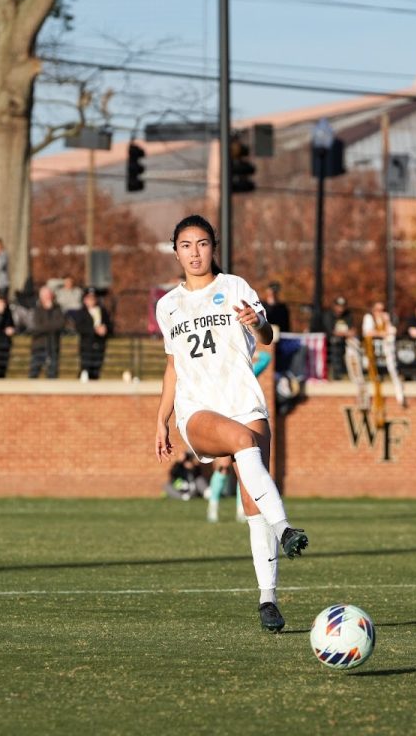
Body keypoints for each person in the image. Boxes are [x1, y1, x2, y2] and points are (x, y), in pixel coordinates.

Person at [155, 214, 308, 633]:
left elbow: (267, 337)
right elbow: (173, 368)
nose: (195, 252)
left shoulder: (235, 287)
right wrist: (162, 419)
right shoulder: (167, 305)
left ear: (213, 247)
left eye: (202, 243)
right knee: (242, 441)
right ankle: (287, 528)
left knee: (252, 503)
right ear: (176, 251)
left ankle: (267, 600)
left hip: (245, 401)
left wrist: (256, 322)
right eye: (186, 244)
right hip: (198, 408)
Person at [362, 299, 406, 406]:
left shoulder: (385, 318)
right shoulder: (369, 318)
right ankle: (366, 399)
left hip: (385, 349)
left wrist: (386, 322)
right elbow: (368, 332)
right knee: (369, 372)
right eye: (377, 310)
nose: (380, 312)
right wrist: (382, 333)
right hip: (371, 350)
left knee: (392, 369)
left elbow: (392, 331)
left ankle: (400, 395)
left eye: (382, 310)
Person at [26, 285, 66, 379]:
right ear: (40, 296)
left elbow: (60, 324)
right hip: (39, 346)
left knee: (52, 373)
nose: (48, 297)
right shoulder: (36, 310)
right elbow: (35, 328)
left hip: (53, 346)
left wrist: (50, 311)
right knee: (33, 373)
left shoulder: (57, 309)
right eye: (45, 295)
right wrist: (51, 326)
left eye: (49, 295)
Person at [72, 287, 112, 380]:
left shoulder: (102, 311)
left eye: (93, 298)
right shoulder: (81, 312)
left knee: (96, 369)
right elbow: (79, 327)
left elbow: (109, 325)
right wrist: (94, 330)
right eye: (89, 298)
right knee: (85, 369)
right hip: (87, 345)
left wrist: (105, 329)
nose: (91, 300)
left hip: (100, 344)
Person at [318, 296, 356, 381]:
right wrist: (346, 333)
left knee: (354, 344)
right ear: (334, 306)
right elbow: (331, 331)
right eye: (338, 306)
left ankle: (354, 373)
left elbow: (352, 330)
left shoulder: (348, 315)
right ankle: (337, 374)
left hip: (345, 341)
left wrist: (347, 334)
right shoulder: (328, 315)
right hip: (329, 341)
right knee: (336, 344)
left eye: (342, 306)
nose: (340, 309)